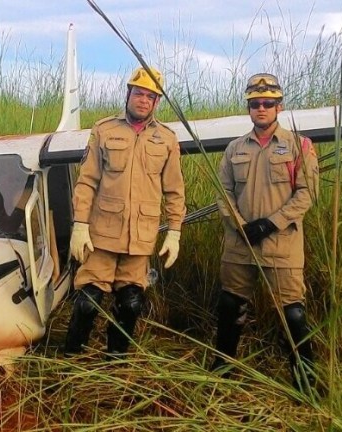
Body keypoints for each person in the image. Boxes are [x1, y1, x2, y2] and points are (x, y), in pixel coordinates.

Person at [63, 66, 186, 358]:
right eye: (138, 93)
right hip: (102, 235)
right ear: (128, 94)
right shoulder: (104, 130)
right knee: (87, 303)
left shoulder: (167, 139)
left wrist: (174, 232)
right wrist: (80, 224)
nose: (143, 100)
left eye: (150, 96)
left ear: (156, 102)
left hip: (140, 238)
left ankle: (115, 361)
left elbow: (174, 190)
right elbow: (87, 181)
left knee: (131, 304)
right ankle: (71, 358)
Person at [210, 73, 319, 391]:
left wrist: (271, 223)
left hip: (281, 243)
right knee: (230, 305)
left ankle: (305, 381)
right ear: (248, 108)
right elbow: (223, 192)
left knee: (292, 313)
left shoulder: (299, 146)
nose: (261, 108)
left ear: (278, 107)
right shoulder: (234, 149)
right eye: (255, 103)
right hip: (240, 243)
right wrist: (239, 224)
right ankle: (221, 370)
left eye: (268, 103)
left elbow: (307, 194)